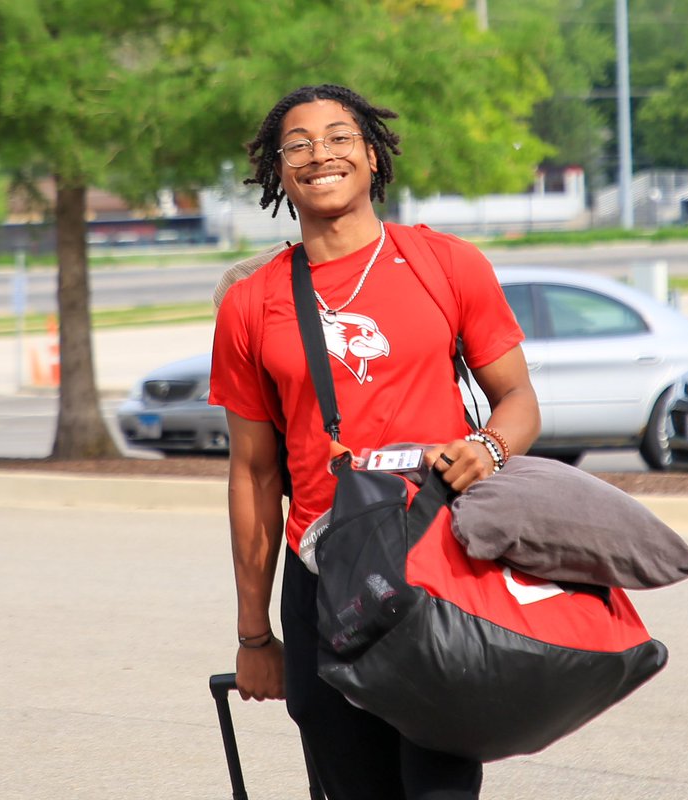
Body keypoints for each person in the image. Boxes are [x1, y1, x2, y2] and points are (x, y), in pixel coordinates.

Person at [209, 84, 541, 800]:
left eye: (338, 137)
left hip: (440, 564)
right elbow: (254, 476)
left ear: (371, 154)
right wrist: (255, 636)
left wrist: (488, 446)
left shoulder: (446, 265)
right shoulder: (249, 302)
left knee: (439, 785)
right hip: (323, 569)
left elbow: (519, 401)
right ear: (277, 169)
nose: (320, 154)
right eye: (296, 143)